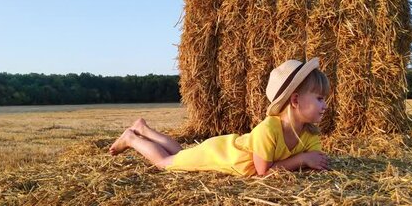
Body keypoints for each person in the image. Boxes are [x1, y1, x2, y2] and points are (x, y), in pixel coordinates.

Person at [108, 57, 330, 176]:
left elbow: (316, 160)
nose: (325, 105)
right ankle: (132, 138)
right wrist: (301, 160)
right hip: (222, 154)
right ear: (295, 100)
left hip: (222, 149)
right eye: (319, 98)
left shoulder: (310, 134)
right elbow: (263, 172)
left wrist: (311, 161)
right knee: (167, 163)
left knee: (183, 154)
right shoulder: (269, 129)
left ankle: (144, 129)